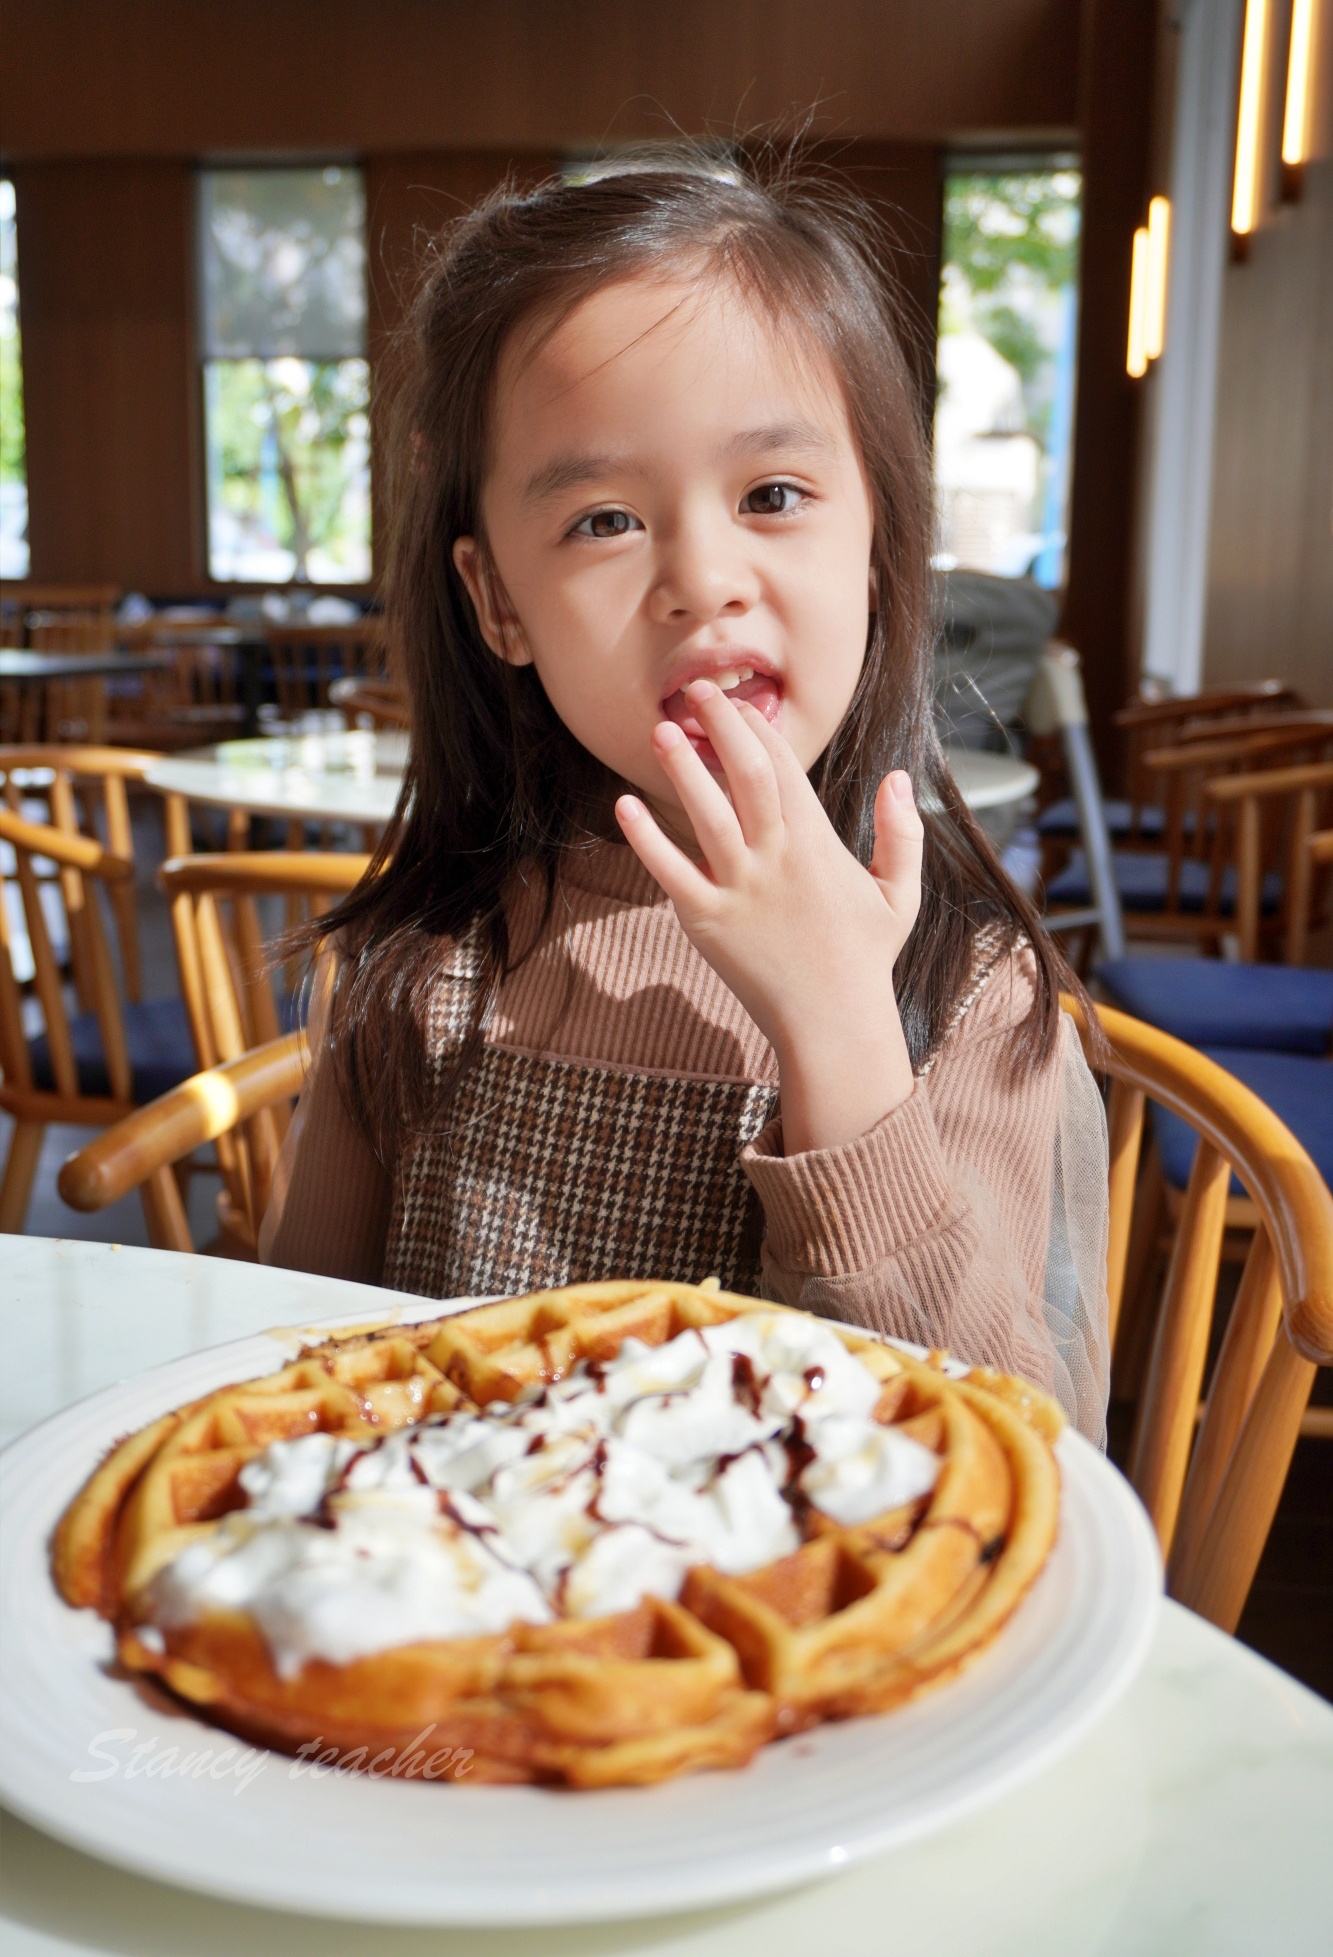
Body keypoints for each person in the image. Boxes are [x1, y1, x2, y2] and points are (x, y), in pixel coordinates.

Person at [261, 149, 1110, 1442]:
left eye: (772, 494)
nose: (702, 574)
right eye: (603, 518)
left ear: (875, 548)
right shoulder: (420, 970)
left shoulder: (964, 991)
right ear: (498, 600)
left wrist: (839, 1025)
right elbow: (294, 1378)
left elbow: (1007, 1451)